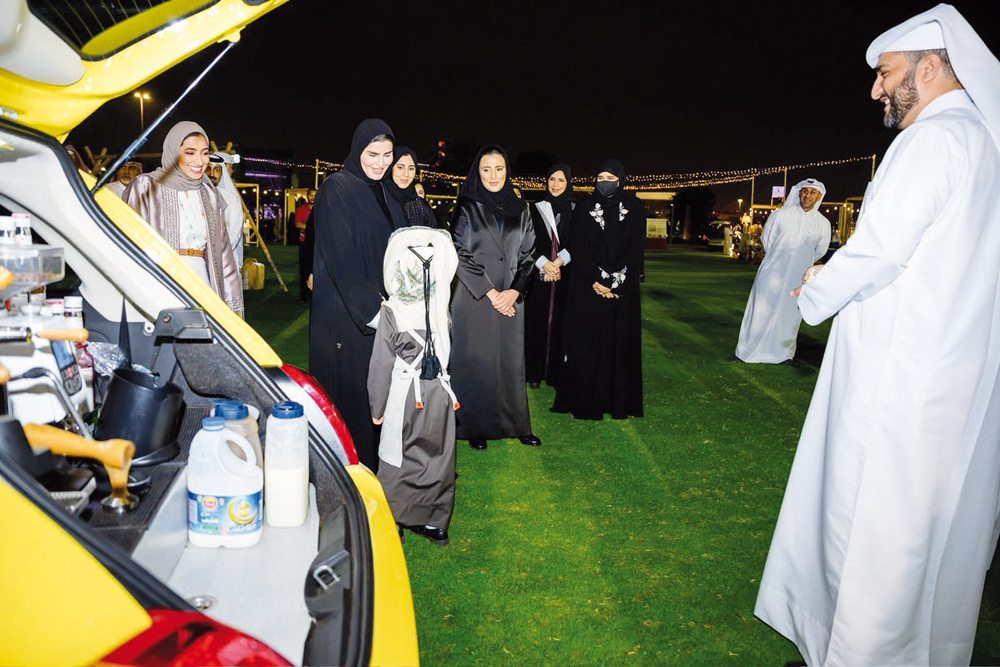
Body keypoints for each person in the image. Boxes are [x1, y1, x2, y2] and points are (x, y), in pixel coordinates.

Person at [754, 6, 1000, 666]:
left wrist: (819, 285)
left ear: (928, 67)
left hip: (899, 381)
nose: (875, 90)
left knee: (869, 530)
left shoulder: (933, 139)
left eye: (885, 74)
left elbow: (882, 248)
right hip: (951, 379)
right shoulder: (984, 140)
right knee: (929, 538)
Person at [310, 119, 407, 471]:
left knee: (379, 404)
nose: (380, 162)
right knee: (352, 404)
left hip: (384, 315)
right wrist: (375, 313)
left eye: (387, 154)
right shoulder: (337, 187)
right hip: (349, 322)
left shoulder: (385, 193)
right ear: (357, 151)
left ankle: (378, 477)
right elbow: (341, 258)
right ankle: (351, 483)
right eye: (372, 154)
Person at [369, 226, 459, 546]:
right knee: (438, 455)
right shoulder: (441, 308)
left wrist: (376, 407)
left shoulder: (392, 310)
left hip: (404, 394)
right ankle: (436, 521)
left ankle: (395, 518)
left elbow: (381, 364)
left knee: (397, 456)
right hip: (440, 393)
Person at [449, 145, 540, 451]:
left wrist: (515, 290)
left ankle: (517, 424)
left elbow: (529, 253)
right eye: (486, 169)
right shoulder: (467, 205)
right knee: (476, 361)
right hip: (476, 297)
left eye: (499, 169)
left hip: (512, 297)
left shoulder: (521, 205)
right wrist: (490, 291)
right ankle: (474, 426)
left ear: (507, 171)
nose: (493, 175)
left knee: (511, 361)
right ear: (478, 171)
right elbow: (458, 251)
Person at [551, 159, 644, 420]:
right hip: (588, 289)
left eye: (610, 176)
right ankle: (586, 400)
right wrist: (597, 279)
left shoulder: (635, 208)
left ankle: (617, 401)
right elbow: (579, 247)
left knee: (617, 345)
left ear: (621, 179)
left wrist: (618, 282)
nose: (604, 181)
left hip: (621, 293)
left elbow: (636, 248)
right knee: (588, 345)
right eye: (600, 176)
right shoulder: (584, 208)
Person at [124, 121, 243, 315]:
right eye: (190, 152)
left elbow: (223, 253)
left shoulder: (209, 194)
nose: (200, 161)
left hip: (202, 282)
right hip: (159, 283)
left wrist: (230, 305)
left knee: (198, 341)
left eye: (204, 153)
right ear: (173, 151)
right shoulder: (145, 187)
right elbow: (128, 244)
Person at [734, 178, 831, 364]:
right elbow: (767, 240)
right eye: (805, 191)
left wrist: (798, 262)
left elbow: (821, 249)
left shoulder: (823, 223)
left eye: (812, 192)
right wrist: (780, 260)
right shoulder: (780, 215)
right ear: (799, 193)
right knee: (760, 311)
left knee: (790, 315)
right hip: (772, 271)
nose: (807, 195)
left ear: (819, 197)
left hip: (799, 276)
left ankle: (783, 355)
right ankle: (746, 352)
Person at [524, 163, 575, 388]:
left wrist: (559, 262)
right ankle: (534, 373)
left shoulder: (576, 209)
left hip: (566, 275)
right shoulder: (534, 209)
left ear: (568, 183)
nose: (556, 184)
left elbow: (580, 242)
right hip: (539, 275)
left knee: (562, 323)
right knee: (536, 322)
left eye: (561, 180)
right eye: (552, 179)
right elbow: (526, 241)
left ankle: (555, 373)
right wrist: (544, 264)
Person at [208, 153, 246, 270]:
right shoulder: (194, 196)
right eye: (208, 169)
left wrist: (220, 251)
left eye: (217, 170)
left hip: (227, 258)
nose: (212, 174)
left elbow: (235, 230)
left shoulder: (232, 199)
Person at [385, 147, 437, 228]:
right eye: (400, 167)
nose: (406, 174)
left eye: (411, 168)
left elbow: (433, 237)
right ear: (391, 168)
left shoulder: (421, 206)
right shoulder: (380, 199)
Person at [295, 189, 316, 302]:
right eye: (311, 195)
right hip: (304, 243)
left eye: (315, 195)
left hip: (317, 244)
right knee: (304, 269)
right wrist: (311, 228)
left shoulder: (321, 208)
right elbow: (298, 223)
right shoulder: (302, 209)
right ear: (307, 196)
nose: (312, 197)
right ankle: (304, 295)